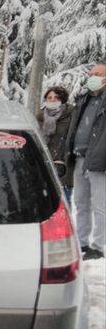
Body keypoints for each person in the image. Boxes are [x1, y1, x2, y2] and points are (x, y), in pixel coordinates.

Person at [65, 63, 106, 261]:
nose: (93, 77)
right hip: (79, 157)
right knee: (81, 203)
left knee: (100, 205)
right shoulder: (84, 99)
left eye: (97, 74)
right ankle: (81, 243)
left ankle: (98, 246)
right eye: (91, 74)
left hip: (99, 161)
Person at [36, 85, 73, 203]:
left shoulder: (70, 115)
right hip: (43, 163)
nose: (52, 100)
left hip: (62, 164)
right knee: (43, 203)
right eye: (49, 97)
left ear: (62, 99)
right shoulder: (39, 116)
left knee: (63, 203)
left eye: (56, 97)